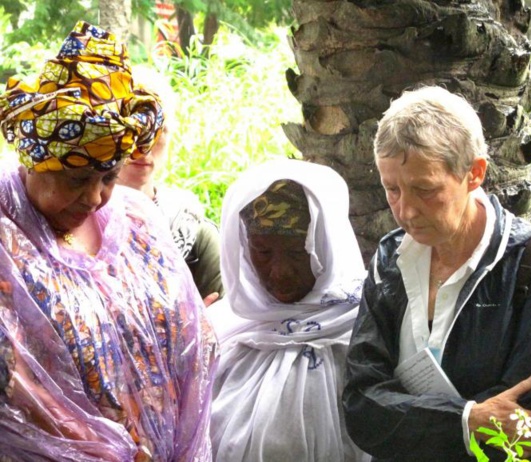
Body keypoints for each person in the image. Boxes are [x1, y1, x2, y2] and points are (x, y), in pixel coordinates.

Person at [0, 22, 217, 460]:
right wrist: (105, 451)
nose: (97, 198)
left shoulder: (137, 222)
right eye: (78, 179)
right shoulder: (7, 241)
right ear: (35, 160)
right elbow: (18, 390)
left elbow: (191, 339)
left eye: (110, 177)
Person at [343, 86, 531, 461]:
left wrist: (406, 420)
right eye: (392, 190)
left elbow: (523, 424)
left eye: (425, 189)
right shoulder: (390, 258)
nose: (406, 211)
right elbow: (360, 406)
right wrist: (469, 419)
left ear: (474, 173)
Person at [208, 158, 370, 461]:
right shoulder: (223, 331)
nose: (280, 272)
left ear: (325, 246)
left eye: (298, 252)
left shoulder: (367, 330)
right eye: (263, 252)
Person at [118, 65, 223, 304]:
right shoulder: (76, 227)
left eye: (156, 132)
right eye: (131, 131)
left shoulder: (193, 233)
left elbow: (221, 327)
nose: (142, 148)